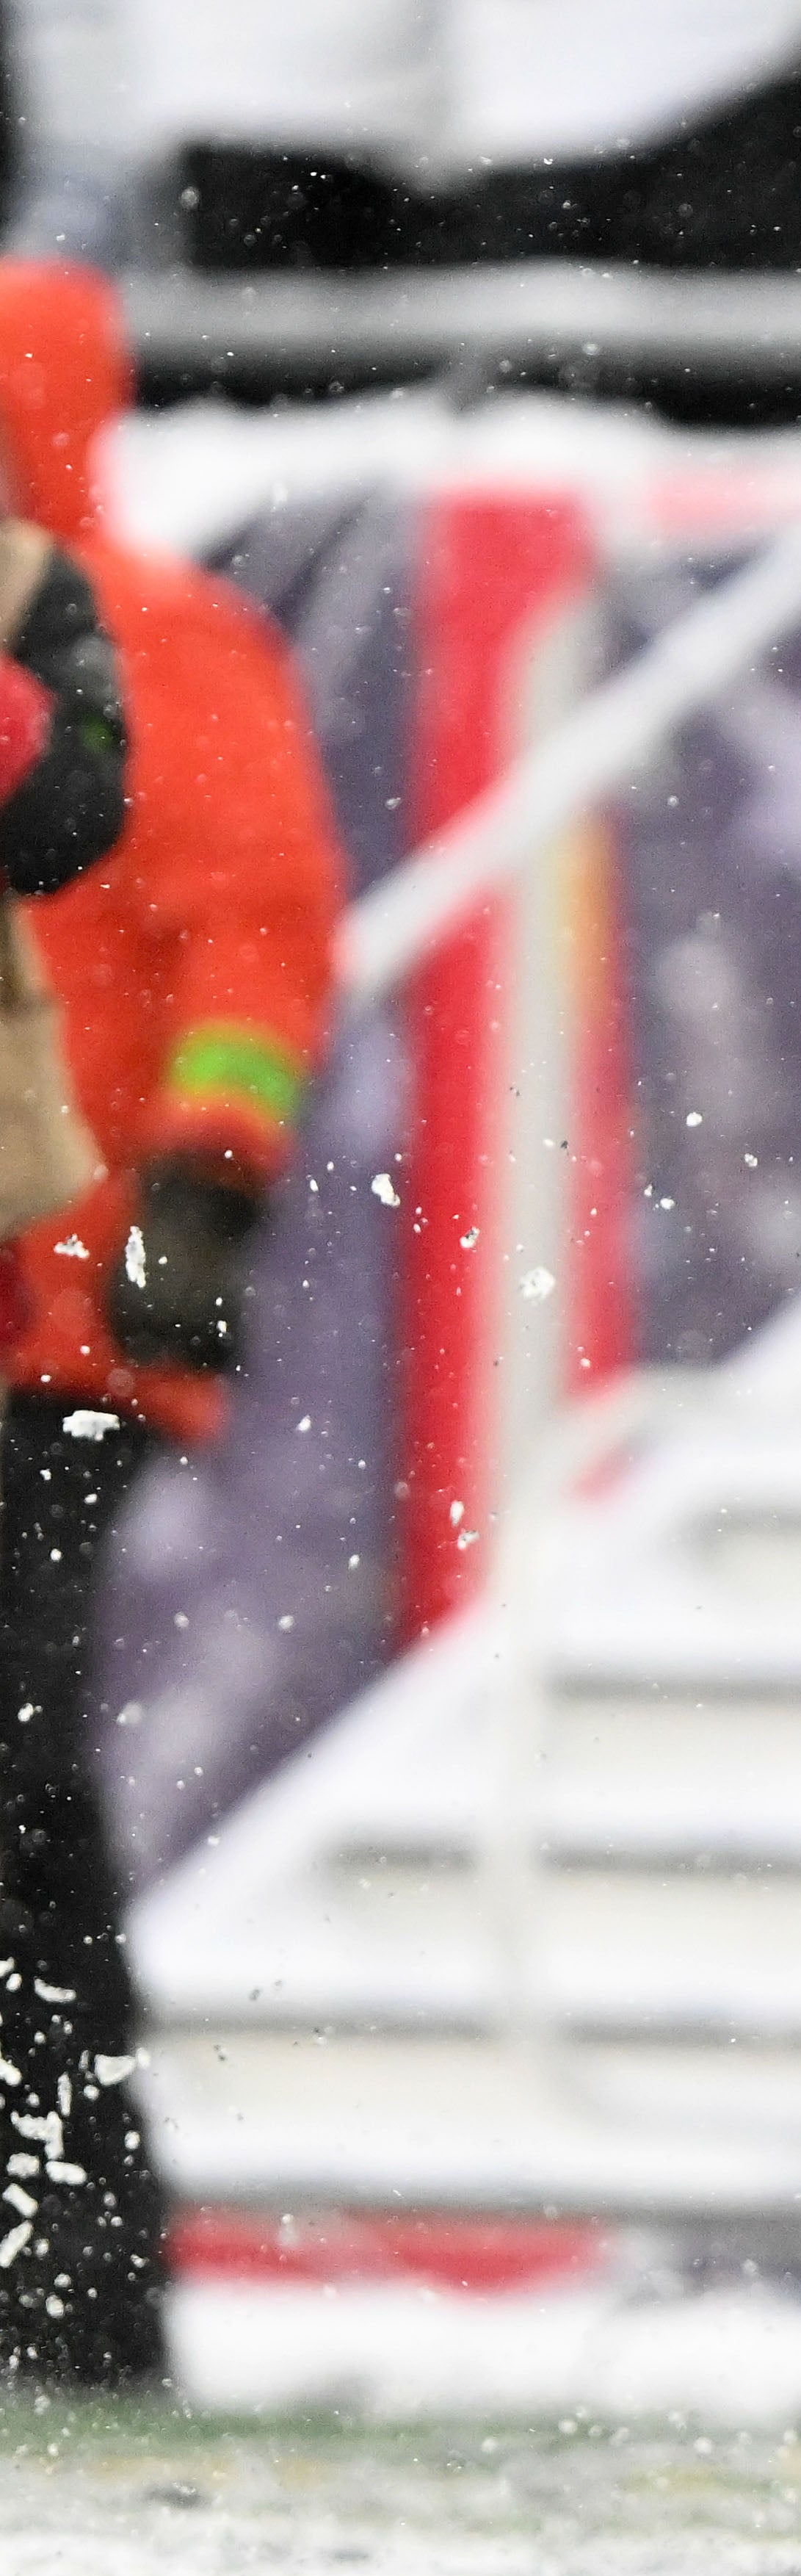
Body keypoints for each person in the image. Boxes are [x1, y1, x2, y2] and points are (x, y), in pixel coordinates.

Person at [0, 257, 341, 2396]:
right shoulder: (131, 633)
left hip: (67, 1321)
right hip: (84, 1301)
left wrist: (199, 1192)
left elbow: (252, 938)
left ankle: (73, 2252)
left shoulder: (144, 636)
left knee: (18, 1788)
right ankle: (70, 2242)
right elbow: (259, 938)